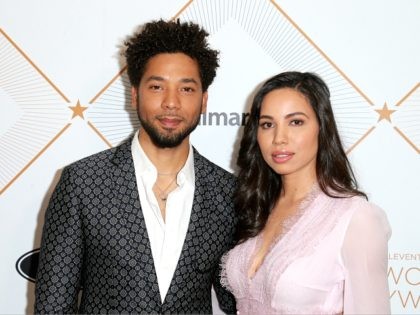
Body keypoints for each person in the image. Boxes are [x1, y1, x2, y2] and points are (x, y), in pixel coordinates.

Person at [34, 19, 237, 314]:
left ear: (204, 100)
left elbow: (241, 302)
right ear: (135, 94)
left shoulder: (228, 193)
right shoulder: (82, 183)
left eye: (186, 89)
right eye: (157, 86)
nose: (171, 103)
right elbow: (53, 307)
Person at [221, 71, 391, 314]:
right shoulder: (256, 205)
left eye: (296, 122)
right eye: (268, 125)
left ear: (322, 127)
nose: (279, 138)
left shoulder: (356, 218)